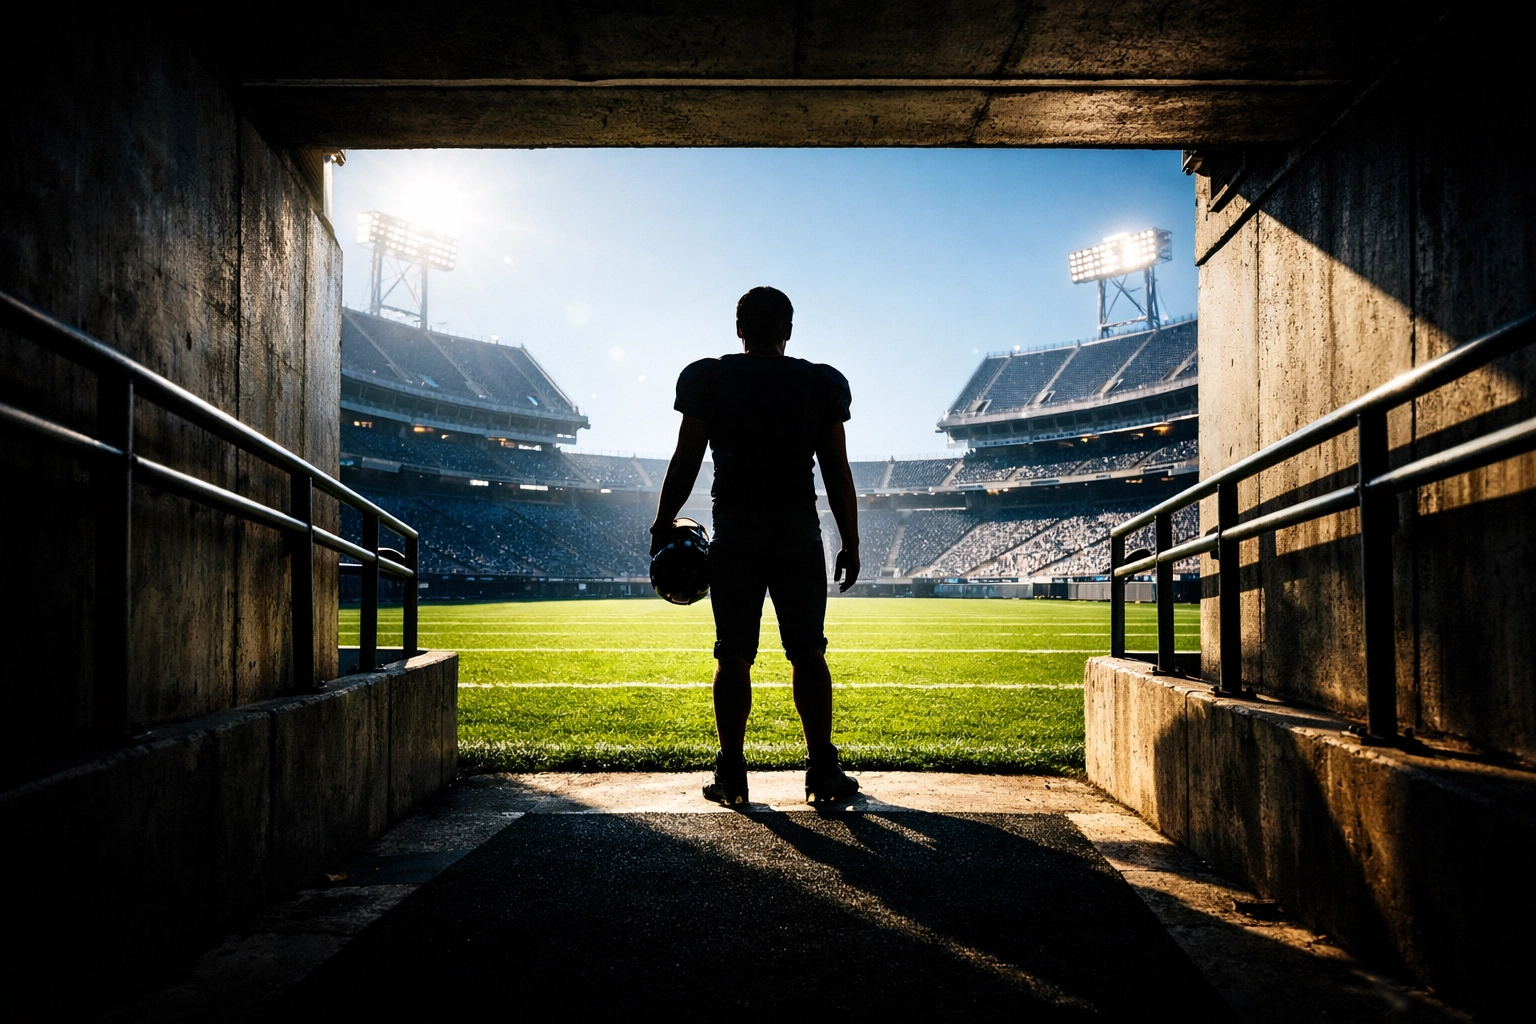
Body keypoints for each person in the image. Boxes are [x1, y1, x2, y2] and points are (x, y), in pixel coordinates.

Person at [651, 286, 863, 806]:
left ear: (739, 329)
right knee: (808, 652)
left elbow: (686, 460)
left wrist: (661, 524)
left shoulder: (710, 378)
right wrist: (850, 541)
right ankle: (822, 771)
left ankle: (732, 774)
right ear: (787, 330)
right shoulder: (819, 383)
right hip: (796, 532)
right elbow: (836, 471)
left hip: (737, 530)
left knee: (733, 656)